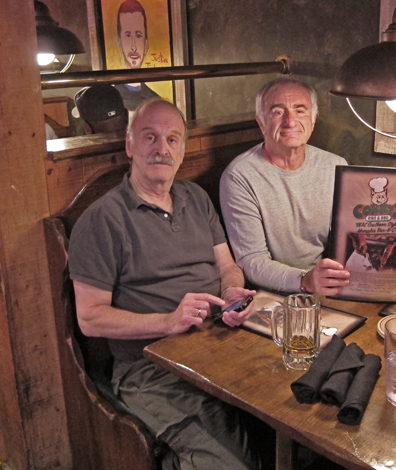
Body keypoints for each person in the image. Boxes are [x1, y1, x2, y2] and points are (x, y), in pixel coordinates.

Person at [68, 98, 260, 470]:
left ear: (183, 150)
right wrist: (168, 321)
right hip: (148, 369)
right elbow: (89, 319)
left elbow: (228, 266)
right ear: (129, 145)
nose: (162, 148)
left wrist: (232, 293)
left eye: (173, 139)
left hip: (219, 344)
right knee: (230, 462)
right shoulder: (102, 220)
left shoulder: (196, 198)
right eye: (150, 137)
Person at [219, 78, 396, 296]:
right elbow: (251, 262)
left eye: (300, 110)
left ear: (313, 119)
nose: (290, 121)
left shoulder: (335, 165)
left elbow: (355, 236)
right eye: (278, 112)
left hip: (332, 285)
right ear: (261, 122)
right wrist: (305, 280)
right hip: (274, 295)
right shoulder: (240, 176)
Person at [114, 0, 159, 112]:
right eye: (128, 36)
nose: (133, 47)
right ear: (119, 44)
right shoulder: (111, 100)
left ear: (146, 44)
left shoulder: (155, 100)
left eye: (138, 36)